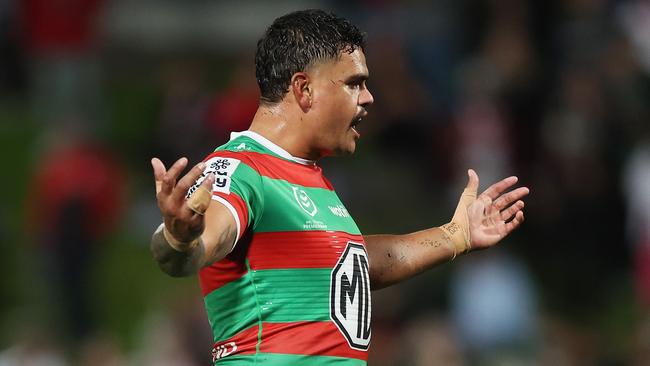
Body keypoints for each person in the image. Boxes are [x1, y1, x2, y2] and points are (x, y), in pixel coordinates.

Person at [150, 9, 528, 365]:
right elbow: (193, 248)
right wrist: (181, 237)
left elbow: (353, 266)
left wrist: (455, 235)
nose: (368, 97)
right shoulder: (238, 169)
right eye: (354, 83)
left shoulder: (308, 179)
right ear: (304, 89)